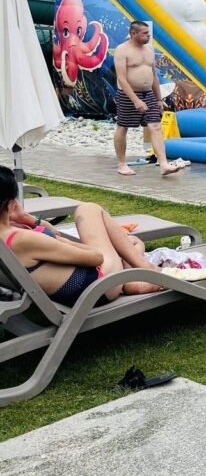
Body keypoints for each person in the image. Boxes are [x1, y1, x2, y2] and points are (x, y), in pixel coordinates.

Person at [0, 166, 164, 305]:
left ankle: (130, 278)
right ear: (12, 204)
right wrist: (61, 241)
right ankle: (145, 270)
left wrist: (27, 219)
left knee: (132, 242)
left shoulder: (9, 233)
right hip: (97, 287)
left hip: (76, 285)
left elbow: (54, 232)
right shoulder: (22, 239)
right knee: (89, 209)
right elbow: (96, 257)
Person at [113, 20, 181, 177]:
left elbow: (154, 75)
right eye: (145, 33)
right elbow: (122, 78)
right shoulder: (122, 50)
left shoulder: (149, 49)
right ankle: (122, 164)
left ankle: (163, 164)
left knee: (156, 126)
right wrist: (135, 100)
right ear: (133, 34)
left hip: (148, 93)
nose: (148, 36)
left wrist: (158, 99)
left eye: (148, 33)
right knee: (123, 127)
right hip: (128, 94)